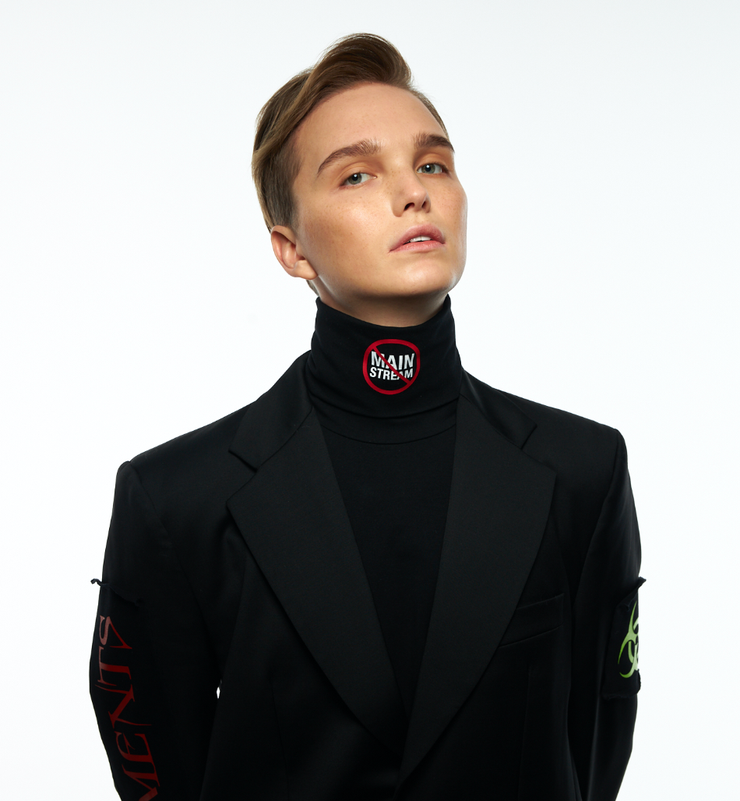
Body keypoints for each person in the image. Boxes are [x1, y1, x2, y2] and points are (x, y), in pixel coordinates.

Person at [90, 33, 643, 801]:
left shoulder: (581, 472)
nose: (414, 192)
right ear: (291, 249)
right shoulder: (176, 500)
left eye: (433, 164)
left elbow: (592, 750)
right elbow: (157, 759)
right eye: (356, 174)